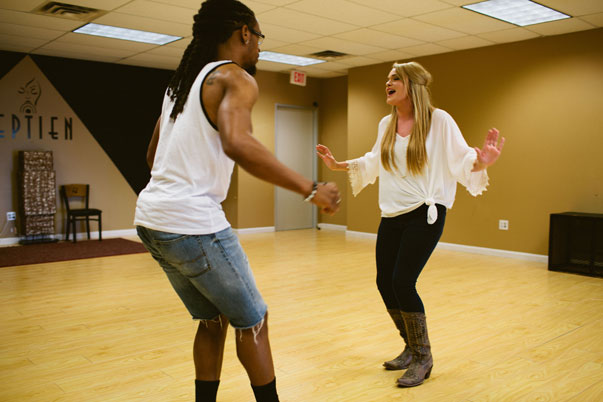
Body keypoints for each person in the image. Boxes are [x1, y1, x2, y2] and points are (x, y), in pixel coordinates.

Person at [134, 1, 341, 401]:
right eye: (259, 37)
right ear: (245, 32)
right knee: (253, 320)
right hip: (193, 224)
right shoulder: (234, 76)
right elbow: (238, 143)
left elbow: (152, 157)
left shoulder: (180, 87)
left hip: (152, 221)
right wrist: (310, 188)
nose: (260, 47)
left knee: (212, 320)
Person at [317, 61, 504, 388]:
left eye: (395, 78)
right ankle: (410, 346)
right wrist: (337, 165)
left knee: (403, 281)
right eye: (387, 79)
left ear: (413, 86)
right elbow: (374, 160)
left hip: (425, 213)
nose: (387, 83)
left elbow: (461, 159)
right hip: (392, 215)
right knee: (384, 282)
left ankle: (423, 356)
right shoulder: (386, 124)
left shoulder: (439, 121)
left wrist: (482, 161)